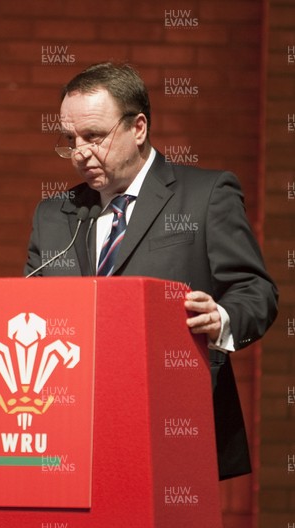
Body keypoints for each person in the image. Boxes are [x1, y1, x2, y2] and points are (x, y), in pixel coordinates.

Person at [25, 62, 278, 480]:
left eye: (93, 137)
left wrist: (222, 319)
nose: (80, 152)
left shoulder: (205, 195)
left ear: (138, 128)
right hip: (67, 434)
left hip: (175, 426)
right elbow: (28, 311)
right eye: (70, 140)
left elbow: (257, 290)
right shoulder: (54, 215)